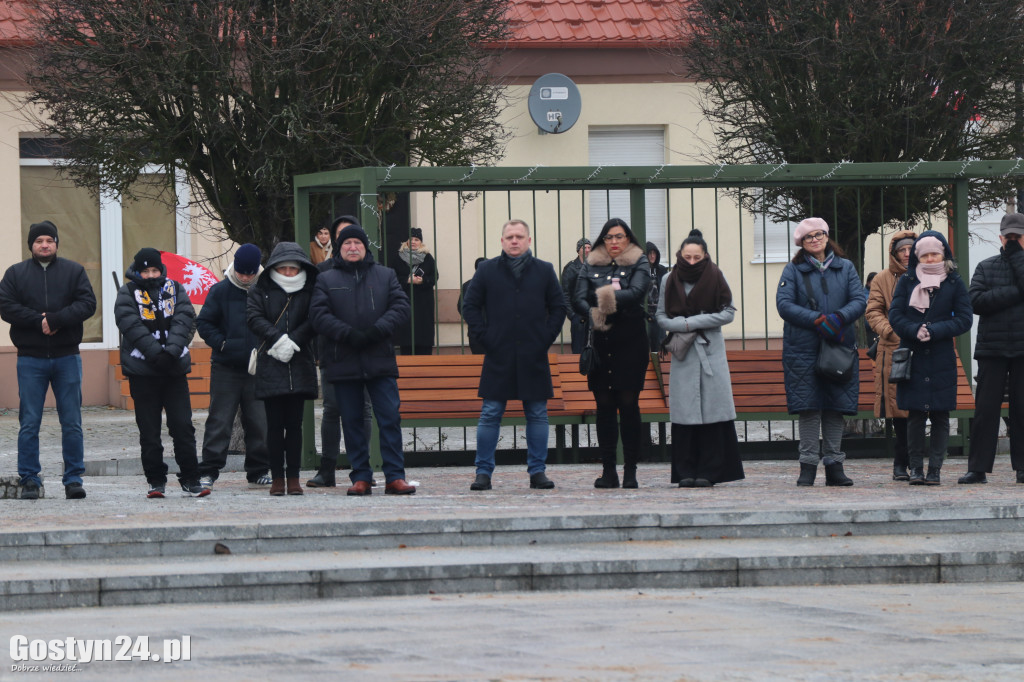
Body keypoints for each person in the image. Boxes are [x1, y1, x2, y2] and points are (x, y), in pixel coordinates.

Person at [311, 224, 416, 496]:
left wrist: (376, 331)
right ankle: (361, 477)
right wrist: (347, 334)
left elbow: (401, 307)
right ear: (339, 248)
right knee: (352, 421)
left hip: (379, 359)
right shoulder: (326, 278)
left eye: (357, 243)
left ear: (365, 247)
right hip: (343, 360)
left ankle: (395, 476)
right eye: (347, 243)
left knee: (389, 418)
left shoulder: (385, 275)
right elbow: (319, 315)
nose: (352, 247)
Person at [462, 219, 566, 491]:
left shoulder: (544, 270)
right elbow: (469, 305)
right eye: (509, 237)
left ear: (529, 240)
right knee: (490, 413)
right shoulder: (486, 270)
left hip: (533, 353)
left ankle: (538, 472)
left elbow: (559, 307)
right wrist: (485, 338)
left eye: (520, 236)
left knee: (538, 413)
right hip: (498, 353)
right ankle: (483, 473)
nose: (514, 241)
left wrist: (545, 338)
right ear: (502, 241)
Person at [0, 221, 96, 500]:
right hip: (30, 359)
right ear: (31, 244)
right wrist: (38, 321)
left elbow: (87, 304)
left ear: (56, 243)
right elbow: (6, 307)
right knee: (29, 422)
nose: (44, 245)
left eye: (49, 240)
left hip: (67, 357)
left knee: (72, 421)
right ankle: (30, 478)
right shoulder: (15, 274)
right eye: (39, 241)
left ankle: (73, 479)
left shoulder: (74, 271)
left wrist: (57, 320)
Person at [776, 217, 866, 487]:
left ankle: (835, 466)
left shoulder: (845, 267)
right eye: (809, 237)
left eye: (819, 235)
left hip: (838, 347)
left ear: (827, 237)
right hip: (802, 350)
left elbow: (859, 299)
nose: (815, 240)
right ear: (801, 243)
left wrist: (839, 318)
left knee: (835, 407)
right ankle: (807, 466)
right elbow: (784, 305)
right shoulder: (793, 270)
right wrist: (816, 319)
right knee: (809, 408)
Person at [115, 247, 208, 498]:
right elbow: (130, 324)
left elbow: (184, 319)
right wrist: (156, 354)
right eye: (145, 271)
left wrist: (170, 353)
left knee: (183, 426)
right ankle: (156, 480)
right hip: (142, 372)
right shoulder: (127, 293)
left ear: (161, 270)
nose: (150, 275)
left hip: (174, 370)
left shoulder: (175, 288)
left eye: (154, 270)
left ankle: (191, 478)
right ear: (137, 272)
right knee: (149, 431)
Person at [655, 229, 744, 488]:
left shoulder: (716, 276)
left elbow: (728, 313)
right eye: (687, 257)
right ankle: (685, 471)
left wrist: (692, 322)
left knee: (713, 411)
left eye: (697, 257)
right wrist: (684, 326)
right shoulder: (668, 279)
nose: (692, 261)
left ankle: (711, 471)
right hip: (683, 353)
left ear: (705, 256)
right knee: (685, 412)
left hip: (711, 350)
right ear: (679, 255)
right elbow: (660, 316)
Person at [889, 231, 973, 485]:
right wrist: (914, 329)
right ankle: (916, 468)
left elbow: (964, 319)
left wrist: (935, 330)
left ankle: (935, 469)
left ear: (943, 254)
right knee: (915, 415)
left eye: (934, 254)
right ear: (918, 257)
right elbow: (895, 315)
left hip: (940, 357)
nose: (929, 259)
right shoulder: (907, 280)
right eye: (924, 255)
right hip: (913, 356)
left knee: (940, 415)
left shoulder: (954, 281)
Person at [571, 218, 650, 488]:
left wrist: (602, 301)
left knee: (628, 405)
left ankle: (630, 471)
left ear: (628, 238)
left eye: (619, 236)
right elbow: (578, 297)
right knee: (604, 407)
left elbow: (637, 292)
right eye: (609, 237)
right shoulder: (591, 262)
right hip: (600, 340)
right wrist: (594, 313)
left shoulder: (639, 260)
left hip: (630, 341)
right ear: (603, 240)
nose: (614, 241)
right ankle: (609, 471)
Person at [196, 244, 271, 490]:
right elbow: (204, 323)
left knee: (259, 422)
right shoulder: (220, 291)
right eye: (241, 273)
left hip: (257, 367)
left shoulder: (266, 290)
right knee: (219, 421)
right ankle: (208, 471)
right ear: (234, 268)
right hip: (225, 367)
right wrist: (222, 344)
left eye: (250, 273)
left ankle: (258, 470)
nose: (245, 277)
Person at [247, 242, 319, 496]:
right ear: (275, 268)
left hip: (299, 361)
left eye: (293, 268)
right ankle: (277, 477)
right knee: (275, 426)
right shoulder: (260, 289)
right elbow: (253, 317)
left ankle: (294, 477)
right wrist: (278, 339)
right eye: (283, 268)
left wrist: (294, 341)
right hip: (271, 361)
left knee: (295, 425)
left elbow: (316, 318)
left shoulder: (311, 288)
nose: (288, 272)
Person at [307, 215, 374, 488]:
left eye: (353, 235)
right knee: (332, 409)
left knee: (364, 409)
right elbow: (317, 311)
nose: (349, 242)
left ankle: (363, 469)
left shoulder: (373, 270)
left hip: (366, 351)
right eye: (342, 235)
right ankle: (327, 469)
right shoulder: (322, 271)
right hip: (333, 350)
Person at [959, 212, 1024, 484]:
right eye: (1009, 237)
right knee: (985, 411)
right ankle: (978, 468)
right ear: (1000, 237)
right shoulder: (985, 266)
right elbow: (975, 301)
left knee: (1022, 409)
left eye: (1018, 236)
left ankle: (1023, 468)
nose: (1013, 241)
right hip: (992, 348)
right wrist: (1017, 293)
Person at [865, 231, 915, 480]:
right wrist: (890, 331)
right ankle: (900, 462)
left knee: (920, 407)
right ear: (894, 253)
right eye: (901, 250)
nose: (906, 254)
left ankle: (919, 461)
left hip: (924, 347)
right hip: (893, 348)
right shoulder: (882, 278)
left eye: (910, 249)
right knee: (899, 409)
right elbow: (873, 310)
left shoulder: (930, 273)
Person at [393, 227, 437, 356]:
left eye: (416, 239)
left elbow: (434, 277)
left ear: (421, 242)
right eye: (410, 239)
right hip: (404, 301)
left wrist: (422, 281)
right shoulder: (398, 257)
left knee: (423, 337)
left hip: (423, 303)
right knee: (407, 338)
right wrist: (407, 280)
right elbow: (392, 277)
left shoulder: (428, 258)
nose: (413, 242)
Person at [560, 238, 592, 353]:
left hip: (593, 314)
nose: (587, 250)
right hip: (578, 316)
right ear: (578, 251)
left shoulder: (595, 267)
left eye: (589, 247)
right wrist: (572, 315)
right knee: (578, 351)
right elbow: (565, 293)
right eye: (584, 248)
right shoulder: (570, 268)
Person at [457, 257, 488, 354]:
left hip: (475, 331)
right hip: (492, 330)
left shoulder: (467, 285)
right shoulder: (496, 284)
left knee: (478, 358)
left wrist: (473, 321)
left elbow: (462, 307)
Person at [646, 241, 670, 352]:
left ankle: (657, 363)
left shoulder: (661, 270)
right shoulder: (641, 270)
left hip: (659, 312)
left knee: (659, 344)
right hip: (646, 313)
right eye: (650, 253)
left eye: (654, 253)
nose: (652, 256)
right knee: (646, 343)